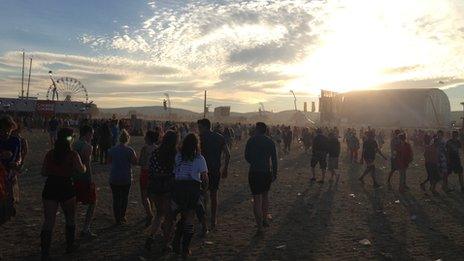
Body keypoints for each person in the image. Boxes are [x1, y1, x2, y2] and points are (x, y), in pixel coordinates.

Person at [40, 128, 86, 260]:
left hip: (51, 186)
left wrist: (55, 171)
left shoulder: (50, 154)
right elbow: (81, 170)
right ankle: (69, 246)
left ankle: (45, 251)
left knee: (48, 221)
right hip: (66, 186)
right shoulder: (73, 154)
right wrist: (85, 167)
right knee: (70, 218)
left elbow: (43, 172)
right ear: (70, 139)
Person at [170, 133, 208, 258]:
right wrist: (204, 189)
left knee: (183, 215)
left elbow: (175, 173)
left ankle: (176, 240)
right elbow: (204, 177)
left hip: (179, 188)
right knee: (190, 219)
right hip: (192, 189)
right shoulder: (199, 158)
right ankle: (185, 248)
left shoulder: (178, 156)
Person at [145, 131, 178, 251]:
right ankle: (166, 243)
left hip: (155, 186)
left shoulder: (155, 152)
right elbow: (176, 171)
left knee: (159, 214)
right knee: (169, 217)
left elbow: (150, 170)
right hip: (168, 187)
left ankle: (151, 236)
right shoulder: (175, 154)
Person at [197, 119, 230, 231]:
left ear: (205, 127)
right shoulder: (220, 137)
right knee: (214, 195)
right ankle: (213, 219)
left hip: (202, 171)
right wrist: (225, 168)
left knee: (203, 195)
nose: (199, 130)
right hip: (215, 169)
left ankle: (204, 217)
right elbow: (228, 154)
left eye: (200, 127)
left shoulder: (200, 138)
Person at [244, 122, 277, 235]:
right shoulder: (269, 141)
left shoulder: (251, 140)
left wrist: (254, 161)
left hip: (254, 171)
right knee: (265, 196)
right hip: (266, 171)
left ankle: (259, 227)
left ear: (257, 129)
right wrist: (275, 172)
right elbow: (274, 158)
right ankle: (264, 219)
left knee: (256, 199)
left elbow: (246, 156)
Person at [107, 130, 137, 225]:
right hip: (126, 177)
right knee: (124, 198)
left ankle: (117, 217)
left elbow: (108, 161)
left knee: (116, 198)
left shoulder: (112, 150)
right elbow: (135, 162)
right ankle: (122, 216)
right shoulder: (130, 150)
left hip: (114, 176)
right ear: (127, 139)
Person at [73, 125, 97, 238]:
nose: (92, 136)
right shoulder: (88, 147)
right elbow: (86, 165)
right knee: (92, 202)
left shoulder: (74, 144)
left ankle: (72, 226)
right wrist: (90, 179)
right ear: (87, 134)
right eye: (91, 134)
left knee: (74, 203)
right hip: (84, 178)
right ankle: (86, 228)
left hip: (74, 177)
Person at [0, 116, 22, 224]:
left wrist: (17, 162)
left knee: (10, 198)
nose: (6, 133)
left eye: (8, 130)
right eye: (3, 130)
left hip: (10, 173)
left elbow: (19, 156)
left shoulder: (16, 140)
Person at [138, 130, 158, 227]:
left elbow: (141, 162)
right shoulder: (157, 149)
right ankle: (151, 211)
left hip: (145, 173)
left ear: (149, 138)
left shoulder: (145, 149)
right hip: (154, 174)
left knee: (144, 196)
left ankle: (149, 214)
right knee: (151, 196)